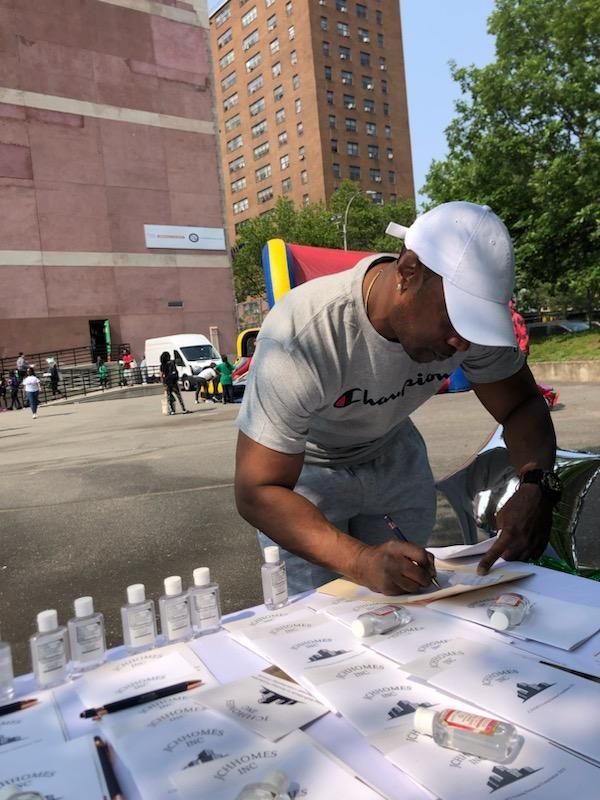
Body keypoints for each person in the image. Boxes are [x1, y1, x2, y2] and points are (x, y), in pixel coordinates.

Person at [234, 202, 559, 596]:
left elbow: (522, 404)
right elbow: (258, 489)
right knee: (316, 624)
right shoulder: (303, 335)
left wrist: (536, 485)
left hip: (393, 458)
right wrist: (358, 560)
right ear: (407, 273)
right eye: (456, 320)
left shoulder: (463, 336)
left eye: (476, 325)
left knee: (412, 608)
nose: (462, 343)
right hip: (305, 472)